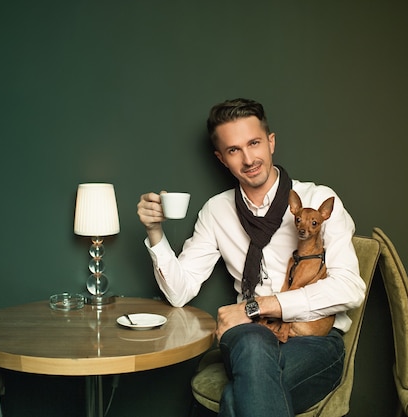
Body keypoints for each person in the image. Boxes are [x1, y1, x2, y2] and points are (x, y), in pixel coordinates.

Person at [136, 98, 364, 417]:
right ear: (221, 159)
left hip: (316, 342)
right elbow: (179, 292)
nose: (248, 159)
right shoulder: (216, 211)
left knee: (237, 398)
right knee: (253, 348)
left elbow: (350, 288)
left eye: (254, 143)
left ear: (271, 142)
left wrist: (256, 306)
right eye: (234, 150)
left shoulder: (317, 200)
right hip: (250, 336)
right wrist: (155, 233)